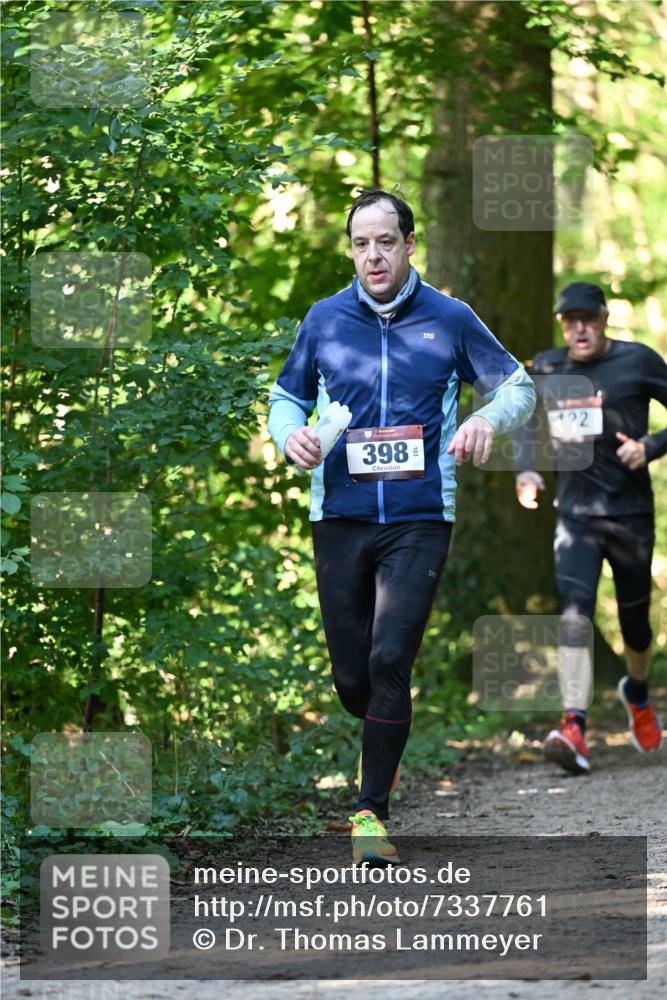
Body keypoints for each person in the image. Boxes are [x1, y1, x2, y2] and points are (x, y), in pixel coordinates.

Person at [269, 189, 535, 863]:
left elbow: (517, 387)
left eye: (385, 242)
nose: (373, 256)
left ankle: (370, 814)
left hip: (419, 518)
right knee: (353, 680)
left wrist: (484, 419)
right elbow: (285, 398)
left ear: (409, 244)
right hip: (340, 516)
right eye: (361, 244)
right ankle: (383, 732)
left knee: (390, 658)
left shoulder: (449, 317)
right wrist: (288, 436)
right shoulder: (325, 319)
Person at [516, 282, 666, 774]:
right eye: (569, 320)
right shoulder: (549, 367)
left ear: (604, 318)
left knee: (635, 627)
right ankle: (574, 726)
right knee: (574, 615)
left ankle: (637, 693)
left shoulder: (637, 361)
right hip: (575, 517)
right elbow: (526, 420)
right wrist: (527, 469)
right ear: (562, 325)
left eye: (588, 318)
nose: (579, 329)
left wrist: (650, 447)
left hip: (630, 516)